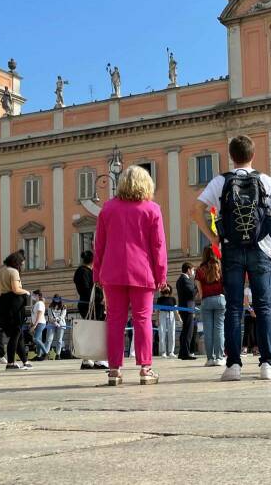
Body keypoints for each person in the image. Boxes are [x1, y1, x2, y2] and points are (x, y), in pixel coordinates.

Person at [191, 135, 271, 382]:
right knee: (263, 307)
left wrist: (212, 237)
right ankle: (267, 364)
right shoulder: (266, 180)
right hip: (261, 248)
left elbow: (195, 210)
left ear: (232, 156)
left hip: (231, 249)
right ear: (253, 155)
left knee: (233, 308)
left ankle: (233, 366)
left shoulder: (220, 181)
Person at [93, 165, 168, 386]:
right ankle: (145, 368)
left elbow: (100, 245)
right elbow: (158, 245)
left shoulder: (107, 209)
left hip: (112, 272)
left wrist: (97, 272)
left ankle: (114, 370)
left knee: (114, 321)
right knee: (143, 320)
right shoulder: (152, 209)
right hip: (142, 272)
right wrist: (161, 274)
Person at [0, 251, 31, 370]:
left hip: (3, 302)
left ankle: (25, 361)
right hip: (14, 303)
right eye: (21, 263)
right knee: (16, 333)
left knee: (18, 334)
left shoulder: (0, 271)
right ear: (17, 262)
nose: (21, 266)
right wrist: (26, 292)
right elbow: (16, 289)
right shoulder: (13, 272)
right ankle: (10, 362)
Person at [74, 250, 106, 369]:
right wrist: (100, 298)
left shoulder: (84, 271)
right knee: (95, 332)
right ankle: (96, 359)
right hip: (91, 305)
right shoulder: (84, 272)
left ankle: (88, 359)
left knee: (91, 332)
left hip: (90, 305)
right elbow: (87, 291)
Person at [195, 247, 225, 367]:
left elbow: (200, 292)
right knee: (219, 329)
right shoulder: (220, 267)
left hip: (206, 300)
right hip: (220, 299)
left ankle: (210, 358)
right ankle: (219, 358)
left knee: (208, 330)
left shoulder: (199, 270)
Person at [176, 263, 198, 361]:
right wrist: (198, 286)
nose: (193, 272)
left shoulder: (180, 279)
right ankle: (186, 353)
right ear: (188, 270)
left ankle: (182, 352)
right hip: (187, 308)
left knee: (186, 330)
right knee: (188, 331)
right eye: (193, 270)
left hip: (185, 308)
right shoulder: (185, 279)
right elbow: (191, 294)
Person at [156, 285, 178, 357]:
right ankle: (163, 352)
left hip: (171, 314)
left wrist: (179, 318)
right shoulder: (159, 299)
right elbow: (157, 310)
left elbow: (176, 310)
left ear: (170, 289)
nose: (166, 288)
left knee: (172, 333)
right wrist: (157, 320)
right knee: (162, 333)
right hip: (162, 314)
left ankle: (171, 351)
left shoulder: (173, 299)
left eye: (167, 287)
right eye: (165, 287)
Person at [46, 295, 67, 359]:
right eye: (55, 299)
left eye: (58, 299)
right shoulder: (50, 306)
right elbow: (50, 315)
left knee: (59, 340)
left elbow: (62, 316)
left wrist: (57, 321)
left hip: (61, 324)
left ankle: (58, 354)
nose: (57, 300)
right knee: (49, 339)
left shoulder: (64, 306)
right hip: (51, 323)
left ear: (60, 299)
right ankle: (46, 353)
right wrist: (54, 322)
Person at [30, 291, 49, 361]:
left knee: (35, 339)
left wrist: (35, 325)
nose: (32, 297)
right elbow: (34, 315)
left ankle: (46, 353)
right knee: (38, 339)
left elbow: (39, 314)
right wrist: (32, 323)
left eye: (34, 295)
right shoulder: (37, 303)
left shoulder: (40, 303)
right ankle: (38, 355)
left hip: (40, 323)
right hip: (38, 323)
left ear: (38, 295)